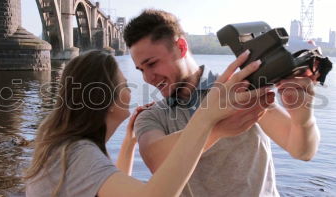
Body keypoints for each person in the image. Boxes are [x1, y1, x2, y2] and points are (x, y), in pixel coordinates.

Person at [123, 9, 320, 197]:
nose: (148, 78)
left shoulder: (239, 89)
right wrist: (216, 126)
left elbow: (302, 151)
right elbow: (156, 160)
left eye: (152, 63)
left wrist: (303, 118)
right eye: (141, 69)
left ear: (181, 47)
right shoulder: (151, 116)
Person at [25, 50, 270, 197]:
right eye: (123, 85)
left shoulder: (69, 149)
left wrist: (129, 144)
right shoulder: (78, 154)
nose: (131, 92)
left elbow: (115, 185)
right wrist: (206, 117)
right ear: (106, 99)